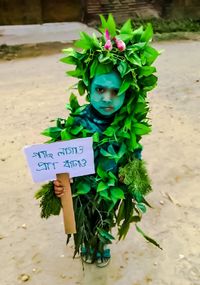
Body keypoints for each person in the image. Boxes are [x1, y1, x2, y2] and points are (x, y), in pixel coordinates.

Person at [37, 14, 160, 268]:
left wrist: (133, 181)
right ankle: (86, 242)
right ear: (87, 87)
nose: (107, 98)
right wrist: (60, 184)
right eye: (100, 89)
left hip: (110, 186)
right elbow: (60, 159)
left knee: (105, 217)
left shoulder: (128, 125)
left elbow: (133, 156)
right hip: (84, 185)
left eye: (116, 92)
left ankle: (101, 243)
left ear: (129, 94)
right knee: (86, 217)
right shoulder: (78, 121)